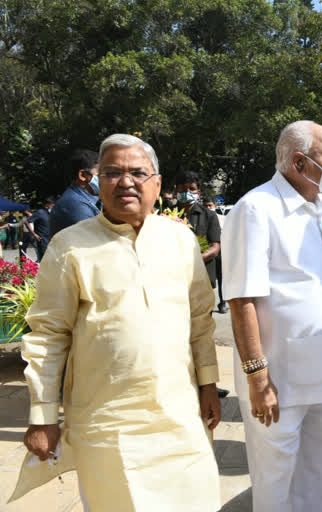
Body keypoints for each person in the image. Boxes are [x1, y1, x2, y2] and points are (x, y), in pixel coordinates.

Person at [20, 133, 221, 511]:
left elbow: (199, 319)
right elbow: (49, 336)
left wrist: (208, 383)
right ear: (97, 182)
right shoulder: (70, 247)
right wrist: (43, 416)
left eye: (137, 173)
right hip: (109, 424)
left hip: (179, 416)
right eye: (112, 172)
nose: (126, 182)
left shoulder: (179, 240)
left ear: (157, 184)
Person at [221, 120, 322, 511]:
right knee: (276, 483)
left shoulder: (316, 209)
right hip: (279, 381)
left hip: (321, 374)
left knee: (314, 476)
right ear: (300, 162)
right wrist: (258, 378)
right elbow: (241, 299)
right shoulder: (257, 209)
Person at [176, 172, 221, 291]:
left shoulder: (209, 215)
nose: (187, 192)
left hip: (203, 277)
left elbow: (215, 248)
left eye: (192, 189)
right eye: (183, 189)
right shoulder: (165, 215)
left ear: (198, 193)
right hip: (174, 279)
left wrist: (193, 261)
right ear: (176, 191)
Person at [50, 149, 100, 237]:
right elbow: (93, 241)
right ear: (83, 175)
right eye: (101, 174)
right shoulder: (75, 205)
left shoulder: (89, 198)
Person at [204, 198, 229, 313]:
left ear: (215, 205)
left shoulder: (223, 219)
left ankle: (223, 302)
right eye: (206, 206)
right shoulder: (203, 219)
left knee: (222, 278)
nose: (208, 208)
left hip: (222, 253)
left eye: (210, 205)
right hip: (208, 252)